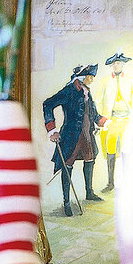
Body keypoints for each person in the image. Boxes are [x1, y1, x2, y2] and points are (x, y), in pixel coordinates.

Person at [44, 63, 107, 217]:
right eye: (90, 77)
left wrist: (103, 122)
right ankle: (66, 201)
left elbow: (93, 113)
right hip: (71, 136)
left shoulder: (86, 91)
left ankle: (89, 192)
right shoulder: (69, 91)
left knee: (90, 159)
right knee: (67, 165)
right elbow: (48, 104)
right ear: (82, 77)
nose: (92, 80)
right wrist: (52, 130)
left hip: (87, 135)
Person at [97, 51, 133, 193]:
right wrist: (101, 119)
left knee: (127, 149)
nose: (116, 65)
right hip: (111, 120)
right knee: (110, 150)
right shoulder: (105, 82)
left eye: (118, 63)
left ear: (123, 65)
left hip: (127, 119)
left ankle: (128, 182)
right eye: (114, 63)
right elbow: (98, 101)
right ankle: (110, 182)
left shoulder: (130, 80)